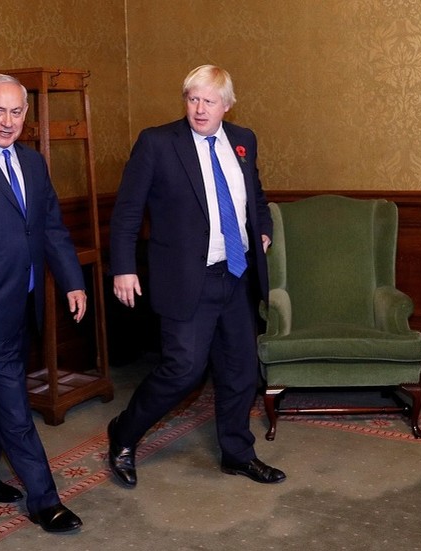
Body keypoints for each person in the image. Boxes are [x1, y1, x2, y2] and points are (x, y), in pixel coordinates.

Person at [106, 64, 285, 487]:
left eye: (209, 101)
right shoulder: (157, 143)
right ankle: (124, 434)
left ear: (227, 105)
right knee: (183, 371)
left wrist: (262, 230)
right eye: (192, 99)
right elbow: (128, 211)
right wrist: (124, 268)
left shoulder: (244, 141)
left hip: (236, 276)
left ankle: (238, 454)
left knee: (240, 370)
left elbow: (254, 197)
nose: (199, 109)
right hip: (188, 279)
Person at [0, 73, 87, 533]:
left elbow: (49, 227)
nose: (8, 122)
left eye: (17, 112)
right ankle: (45, 500)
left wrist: (73, 281)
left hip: (22, 303)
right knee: (12, 404)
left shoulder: (32, 161)